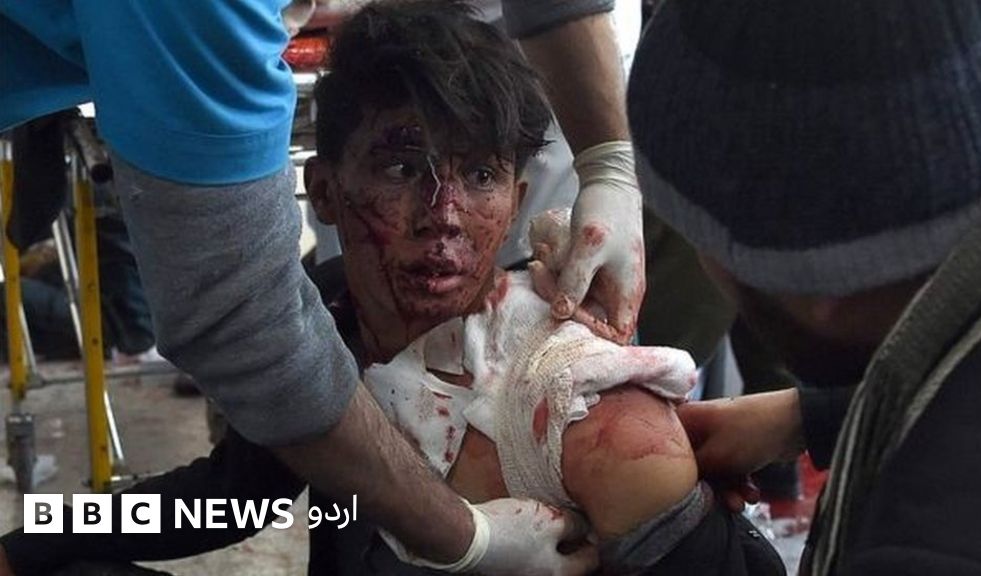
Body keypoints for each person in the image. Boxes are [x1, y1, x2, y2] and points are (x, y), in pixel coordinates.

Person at [0, 4, 784, 574]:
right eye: (403, 168)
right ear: (324, 192)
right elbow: (233, 499)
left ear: (518, 198)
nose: (444, 215)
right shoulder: (325, 323)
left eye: (480, 176)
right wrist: (33, 536)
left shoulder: (581, 409)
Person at [628, 0, 981, 573]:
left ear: (820, 295)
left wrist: (671, 537)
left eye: (697, 241)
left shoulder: (936, 545)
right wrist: (816, 417)